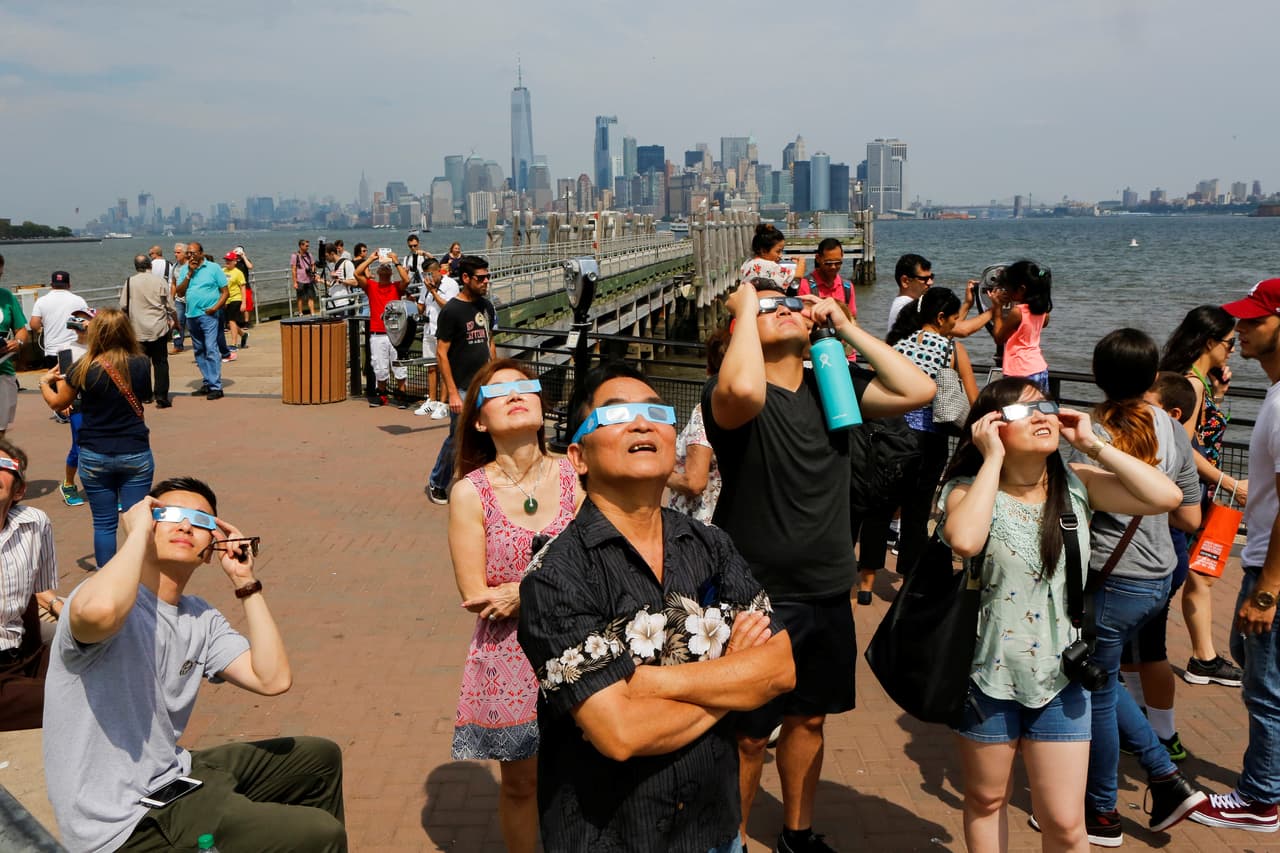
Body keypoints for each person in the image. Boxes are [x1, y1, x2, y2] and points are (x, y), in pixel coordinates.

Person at [518, 362, 796, 852]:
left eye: (655, 411)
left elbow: (780, 667)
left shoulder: (712, 545)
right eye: (616, 414)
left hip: (714, 829)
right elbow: (620, 731)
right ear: (579, 456)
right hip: (610, 836)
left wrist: (649, 683)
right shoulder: (555, 575)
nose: (642, 423)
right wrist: (732, 675)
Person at [704, 278, 935, 852]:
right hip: (756, 593)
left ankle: (797, 835)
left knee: (810, 719)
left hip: (827, 583)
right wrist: (742, 310)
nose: (784, 310)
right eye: (769, 306)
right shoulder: (733, 393)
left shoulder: (834, 386)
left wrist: (845, 327)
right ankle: (728, 841)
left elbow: (918, 388)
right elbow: (740, 386)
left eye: (792, 305)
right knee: (750, 735)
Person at [940, 378, 1183, 852]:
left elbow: (1166, 498)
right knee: (987, 800)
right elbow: (966, 540)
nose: (1040, 417)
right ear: (990, 427)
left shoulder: (1077, 484)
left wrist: (1094, 445)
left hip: (1062, 679)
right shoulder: (966, 490)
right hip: (985, 677)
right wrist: (990, 459)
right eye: (1019, 412)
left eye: (1045, 407)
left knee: (1067, 825)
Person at [42, 476, 347, 851]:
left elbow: (272, 679)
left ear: (211, 548)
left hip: (172, 775)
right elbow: (102, 613)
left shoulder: (199, 616)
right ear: (147, 522)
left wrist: (245, 581)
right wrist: (136, 533)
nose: (185, 525)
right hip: (124, 822)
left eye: (201, 520)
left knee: (319, 759)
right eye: (168, 514)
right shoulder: (101, 597)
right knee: (318, 833)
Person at [1071, 330, 1205, 846]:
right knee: (1104, 679)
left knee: (1099, 693)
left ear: (1097, 375)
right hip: (1159, 577)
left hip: (1110, 579)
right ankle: (1165, 777)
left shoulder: (1086, 428)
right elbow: (1189, 514)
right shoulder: (1172, 428)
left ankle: (1103, 810)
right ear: (1153, 378)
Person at [449, 360, 581, 853]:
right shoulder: (470, 492)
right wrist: (546, 590)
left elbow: (605, 567)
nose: (516, 395)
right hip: (511, 657)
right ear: (480, 420)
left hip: (585, 642)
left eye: (526, 387)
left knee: (588, 772)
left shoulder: (577, 473)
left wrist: (522, 593)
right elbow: (477, 593)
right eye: (499, 392)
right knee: (522, 783)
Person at [1191, 278, 1280, 832]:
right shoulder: (1273, 392)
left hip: (1273, 566)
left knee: (1264, 689)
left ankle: (1261, 798)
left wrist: (1269, 590)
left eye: (1254, 320)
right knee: (1253, 667)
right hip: (1266, 559)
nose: (1240, 329)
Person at [858, 288, 979, 605]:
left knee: (879, 509)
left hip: (890, 438)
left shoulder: (896, 345)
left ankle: (866, 585)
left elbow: (872, 384)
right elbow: (973, 402)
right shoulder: (952, 350)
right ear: (941, 318)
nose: (954, 325)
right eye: (954, 318)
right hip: (929, 442)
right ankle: (907, 587)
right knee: (915, 514)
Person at [1117, 371, 1204, 763]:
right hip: (1167, 560)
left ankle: (1163, 736)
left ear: (1172, 411)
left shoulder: (1164, 442)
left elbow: (1189, 519)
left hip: (1153, 562)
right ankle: (1145, 723)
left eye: (1146, 402)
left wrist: (1145, 503)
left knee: (1146, 651)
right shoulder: (1178, 443)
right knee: (1137, 651)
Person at [1159, 304, 1246, 687]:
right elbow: (1187, 447)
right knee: (1195, 573)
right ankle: (1199, 657)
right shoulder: (1191, 384)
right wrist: (1228, 482)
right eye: (1229, 342)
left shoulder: (1195, 381)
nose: (1233, 349)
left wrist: (1219, 395)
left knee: (1199, 574)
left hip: (1197, 489)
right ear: (1209, 341)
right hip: (1195, 491)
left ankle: (1203, 656)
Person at [39, 308, 154, 568]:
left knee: (103, 523)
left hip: (94, 452)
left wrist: (44, 383)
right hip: (134, 448)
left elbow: (59, 404)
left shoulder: (82, 366)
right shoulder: (140, 362)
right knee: (137, 521)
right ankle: (139, 575)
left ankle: (106, 576)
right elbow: (145, 395)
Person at [427, 256, 497, 505]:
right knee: (457, 438)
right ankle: (438, 481)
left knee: (489, 436)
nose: (485, 281)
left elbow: (490, 340)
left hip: (485, 386)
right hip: (463, 388)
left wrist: (495, 376)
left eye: (488, 276)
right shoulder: (452, 311)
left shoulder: (487, 307)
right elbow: (441, 353)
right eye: (480, 278)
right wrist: (453, 393)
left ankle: (481, 484)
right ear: (466, 279)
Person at [0, 439, 59, 732]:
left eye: (3, 466)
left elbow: (40, 594)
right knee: (74, 701)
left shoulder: (35, 523)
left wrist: (65, 609)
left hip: (22, 649)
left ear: (19, 490)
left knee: (109, 663)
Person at [666, 327, 730, 524]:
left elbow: (694, 483)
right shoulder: (755, 407)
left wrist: (660, 473)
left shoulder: (705, 412)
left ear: (710, 366)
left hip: (700, 523)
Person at [353, 250, 410, 407]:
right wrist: (371, 259)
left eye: (387, 268)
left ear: (391, 272)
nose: (384, 269)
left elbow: (406, 279)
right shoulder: (371, 286)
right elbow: (357, 273)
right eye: (381, 267)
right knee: (380, 366)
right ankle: (382, 395)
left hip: (396, 333)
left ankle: (401, 395)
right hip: (377, 333)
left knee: (398, 365)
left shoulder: (396, 287)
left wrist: (396, 260)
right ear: (377, 272)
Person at [175, 242, 229, 400]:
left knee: (211, 348)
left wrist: (215, 308)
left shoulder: (213, 268)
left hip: (209, 315)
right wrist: (189, 274)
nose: (191, 256)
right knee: (199, 350)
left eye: (194, 253)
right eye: (189, 254)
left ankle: (216, 386)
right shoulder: (185, 269)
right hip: (191, 315)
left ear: (201, 253)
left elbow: (225, 292)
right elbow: (179, 291)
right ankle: (207, 381)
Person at [990, 259, 1053, 392]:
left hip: (1019, 370)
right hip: (1039, 368)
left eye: (1008, 288)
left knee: (1017, 410)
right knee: (1037, 409)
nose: (1006, 291)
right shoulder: (1043, 312)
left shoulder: (1017, 312)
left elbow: (999, 338)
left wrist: (997, 307)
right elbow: (1038, 324)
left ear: (1021, 289)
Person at [121, 254, 173, 408]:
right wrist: (174, 321)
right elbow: (169, 306)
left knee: (141, 364)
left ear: (136, 267)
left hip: (137, 329)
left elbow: (123, 305)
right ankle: (161, 396)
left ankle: (144, 395)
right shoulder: (160, 281)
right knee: (161, 362)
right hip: (158, 328)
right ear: (150, 265)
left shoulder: (130, 282)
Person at [414, 258, 460, 418]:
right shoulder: (425, 286)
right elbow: (421, 307)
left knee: (444, 368)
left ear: (438, 271)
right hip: (429, 330)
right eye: (425, 274)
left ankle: (443, 403)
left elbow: (449, 308)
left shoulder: (450, 285)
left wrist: (433, 291)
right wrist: (413, 303)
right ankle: (432, 399)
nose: (428, 278)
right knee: (431, 366)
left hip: (445, 332)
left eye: (431, 274)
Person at [56, 310, 91, 507]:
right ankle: (69, 484)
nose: (82, 324)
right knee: (79, 446)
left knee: (106, 443)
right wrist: (65, 402)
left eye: (86, 319)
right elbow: (62, 378)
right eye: (78, 319)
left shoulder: (102, 348)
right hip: (77, 403)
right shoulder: (66, 349)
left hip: (100, 403)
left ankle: (110, 485)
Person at [0, 254, 34, 437]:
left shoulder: (6, 297)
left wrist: (18, 343)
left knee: (0, 428)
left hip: (3, 369)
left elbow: (22, 330)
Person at [29, 270, 90, 369]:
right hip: (75, 349)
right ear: (69, 285)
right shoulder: (79, 300)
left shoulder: (41, 301)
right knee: (75, 381)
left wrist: (42, 329)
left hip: (52, 350)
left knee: (55, 381)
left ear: (51, 285)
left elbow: (34, 324)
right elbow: (86, 323)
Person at [886, 253, 934, 330]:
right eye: (924, 279)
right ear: (905, 281)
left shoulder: (912, 303)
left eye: (931, 277)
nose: (930, 282)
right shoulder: (906, 307)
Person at [738, 223, 791, 292]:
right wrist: (801, 265)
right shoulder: (769, 265)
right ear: (763, 251)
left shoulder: (747, 263)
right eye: (778, 251)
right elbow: (792, 278)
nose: (780, 255)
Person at [221, 251, 246, 358]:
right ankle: (243, 335)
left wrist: (244, 303)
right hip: (226, 299)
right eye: (226, 260)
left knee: (232, 320)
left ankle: (234, 343)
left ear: (235, 261)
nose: (227, 262)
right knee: (229, 323)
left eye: (229, 260)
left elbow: (243, 288)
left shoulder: (238, 273)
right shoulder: (222, 271)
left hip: (236, 298)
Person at [323, 243, 357, 316]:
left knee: (345, 325)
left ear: (332, 253)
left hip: (344, 302)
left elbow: (355, 282)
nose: (326, 259)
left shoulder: (347, 263)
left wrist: (341, 280)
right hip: (333, 303)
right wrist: (320, 280)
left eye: (326, 256)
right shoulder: (333, 266)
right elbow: (334, 284)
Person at [169, 242, 188, 353]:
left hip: (190, 299)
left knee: (192, 323)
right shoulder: (175, 267)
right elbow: (173, 284)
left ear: (185, 254)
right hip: (179, 300)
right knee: (177, 322)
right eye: (175, 252)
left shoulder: (190, 265)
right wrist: (172, 297)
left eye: (178, 252)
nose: (176, 254)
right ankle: (177, 345)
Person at [290, 238, 318, 316]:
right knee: (300, 298)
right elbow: (293, 269)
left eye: (308, 246)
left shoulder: (309, 255)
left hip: (309, 279)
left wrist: (312, 273)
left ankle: (312, 313)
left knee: (311, 297)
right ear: (301, 246)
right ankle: (300, 313)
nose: (307, 247)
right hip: (300, 280)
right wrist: (295, 282)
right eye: (306, 246)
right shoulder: (295, 256)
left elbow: (313, 265)